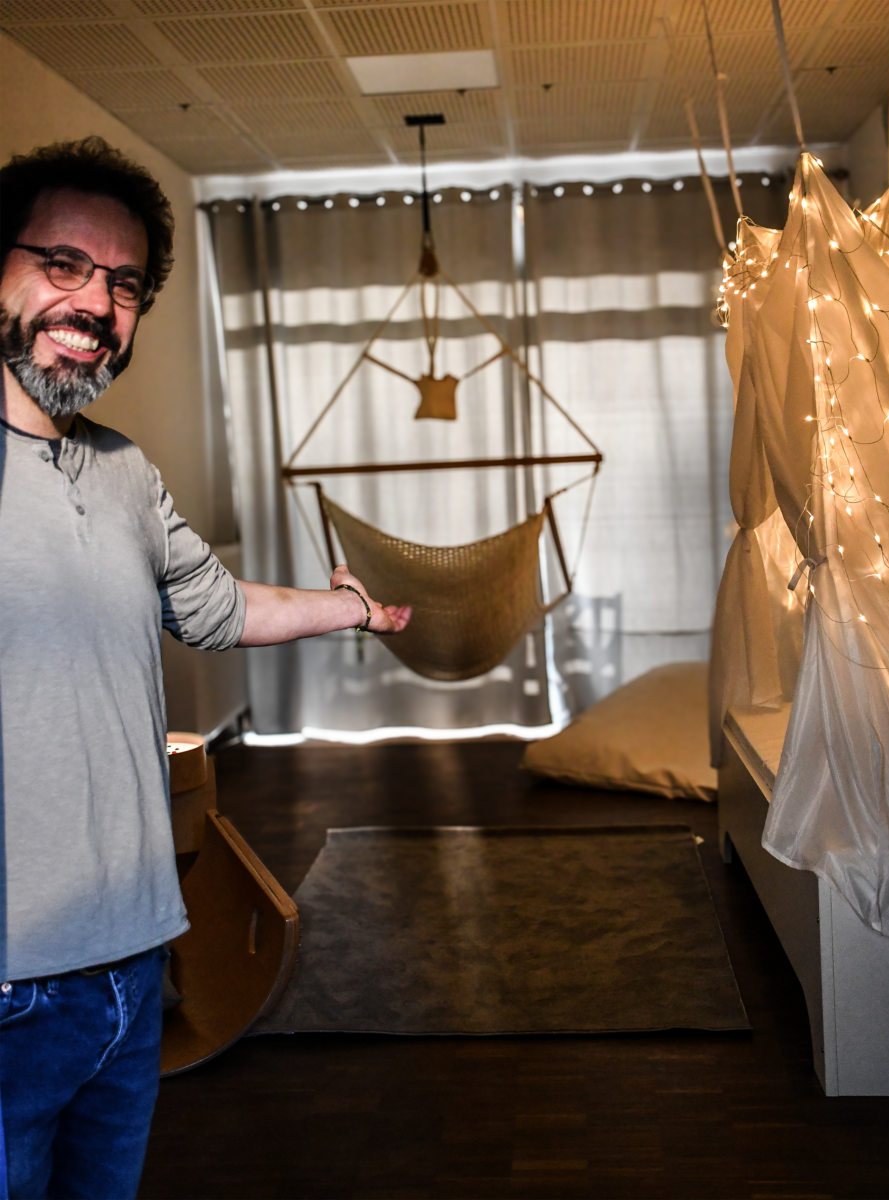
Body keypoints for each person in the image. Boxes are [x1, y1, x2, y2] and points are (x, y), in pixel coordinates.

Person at [0, 136, 411, 1199]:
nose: (95, 303)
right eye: (63, 264)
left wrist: (352, 608)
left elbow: (218, 606)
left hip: (137, 965)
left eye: (124, 284)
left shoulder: (124, 471)